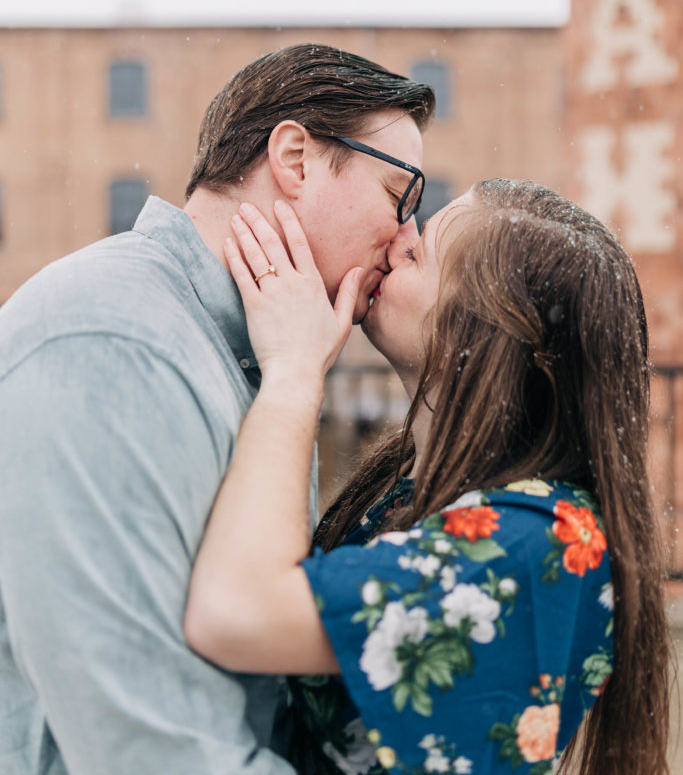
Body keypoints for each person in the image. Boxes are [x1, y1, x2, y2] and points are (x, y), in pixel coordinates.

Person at [0, 44, 434, 775]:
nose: (404, 241)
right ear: (293, 158)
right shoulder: (110, 335)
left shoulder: (247, 356)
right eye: (402, 196)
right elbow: (148, 745)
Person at [185, 179, 673, 775]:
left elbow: (235, 614)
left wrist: (292, 372)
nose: (397, 240)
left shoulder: (542, 543)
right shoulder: (418, 487)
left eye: (420, 253)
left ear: (489, 334)